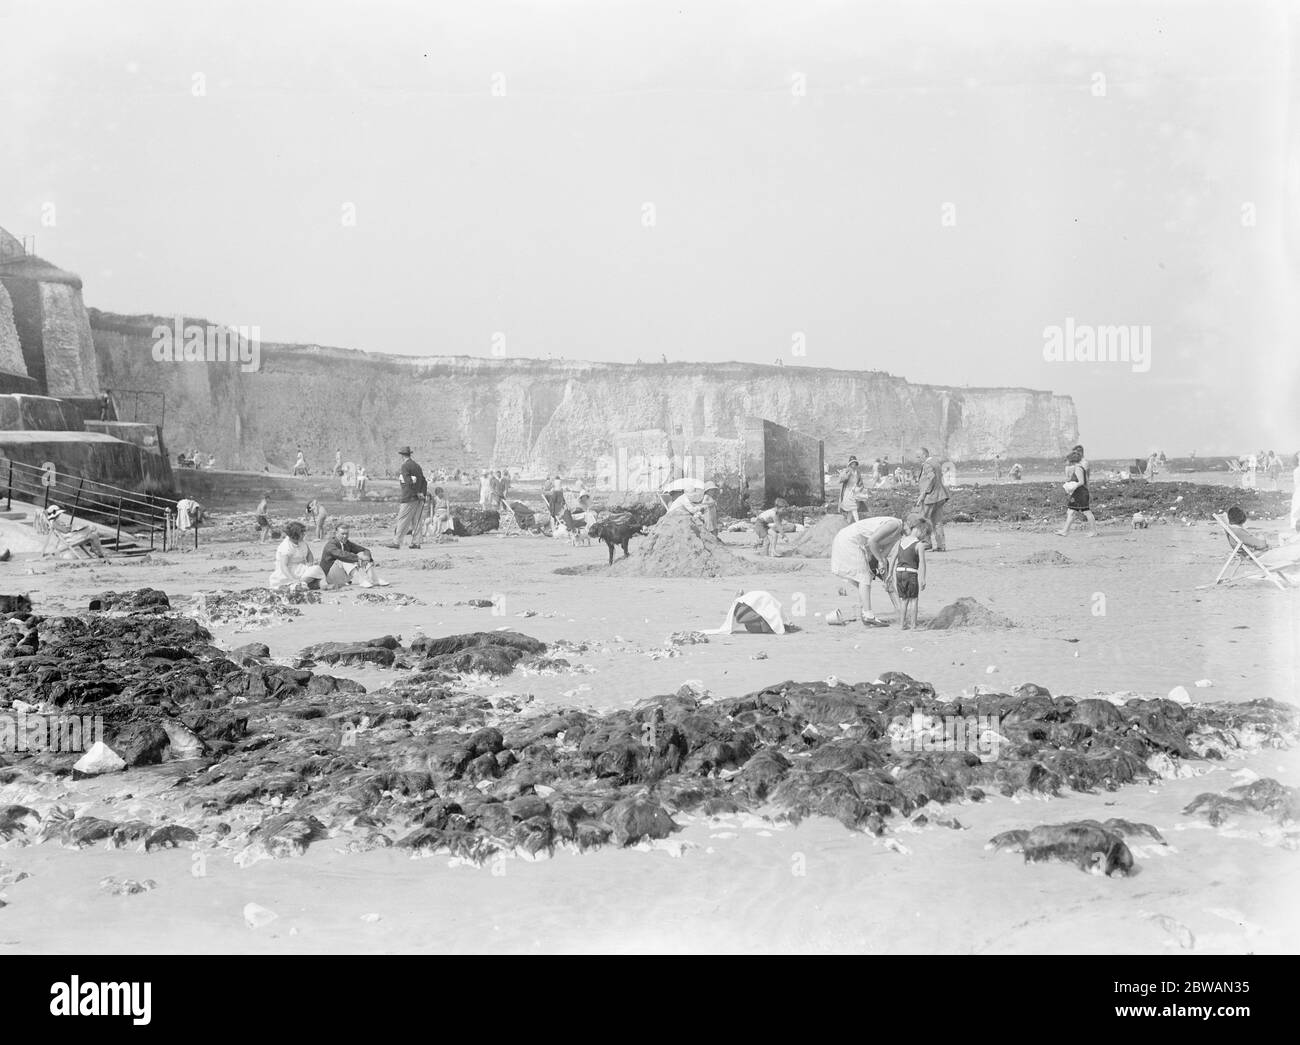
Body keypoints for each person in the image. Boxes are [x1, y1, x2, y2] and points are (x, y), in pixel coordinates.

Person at [829, 515, 904, 627]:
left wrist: (884, 570)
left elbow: (883, 555)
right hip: (849, 541)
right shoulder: (895, 524)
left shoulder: (899, 535)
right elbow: (872, 541)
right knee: (864, 578)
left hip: (858, 545)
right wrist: (880, 561)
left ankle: (866, 612)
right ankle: (868, 616)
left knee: (863, 580)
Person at [320, 522, 388, 588]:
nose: (345, 536)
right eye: (342, 534)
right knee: (345, 559)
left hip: (343, 577)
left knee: (363, 557)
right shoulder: (330, 545)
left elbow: (365, 550)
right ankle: (361, 581)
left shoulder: (347, 543)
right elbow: (341, 555)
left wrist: (367, 557)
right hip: (329, 577)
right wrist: (359, 558)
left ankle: (375, 580)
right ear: (336, 533)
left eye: (347, 534)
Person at [894, 517, 931, 630]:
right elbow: (923, 563)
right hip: (911, 573)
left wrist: (890, 573)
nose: (923, 536)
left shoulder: (901, 541)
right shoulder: (919, 545)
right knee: (914, 600)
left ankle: (901, 625)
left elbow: (893, 559)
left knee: (904, 600)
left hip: (899, 573)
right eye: (924, 533)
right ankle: (913, 625)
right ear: (919, 530)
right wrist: (923, 579)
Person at [268, 521, 323, 589]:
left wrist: (310, 563)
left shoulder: (302, 542)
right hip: (288, 572)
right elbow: (283, 566)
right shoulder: (286, 547)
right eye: (302, 533)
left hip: (301, 568)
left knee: (317, 569)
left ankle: (303, 583)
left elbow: (309, 554)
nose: (304, 534)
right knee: (315, 571)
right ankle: (298, 584)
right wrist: (292, 579)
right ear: (295, 535)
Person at [1056, 449, 1097, 537]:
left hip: (1080, 493)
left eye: (1067, 460)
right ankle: (1065, 531)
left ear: (1071, 460)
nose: (1066, 462)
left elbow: (1081, 482)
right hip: (1079, 493)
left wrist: (1071, 486)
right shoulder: (1078, 467)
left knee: (1086, 512)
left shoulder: (1078, 468)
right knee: (1070, 511)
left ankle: (1094, 531)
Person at [392, 445, 427, 549]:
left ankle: (397, 542)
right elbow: (424, 481)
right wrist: (422, 494)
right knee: (417, 521)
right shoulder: (417, 466)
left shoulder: (405, 466)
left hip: (409, 497)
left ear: (402, 456)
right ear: (409, 454)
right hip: (419, 498)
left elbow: (408, 482)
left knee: (403, 519)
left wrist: (416, 493)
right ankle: (416, 542)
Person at [915, 447, 949, 552]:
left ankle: (926, 543)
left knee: (922, 520)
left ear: (925, 455)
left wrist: (923, 494)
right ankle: (941, 545)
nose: (918, 459)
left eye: (919, 457)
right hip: (940, 495)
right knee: (937, 521)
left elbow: (932, 478)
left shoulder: (927, 464)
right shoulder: (936, 462)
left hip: (931, 497)